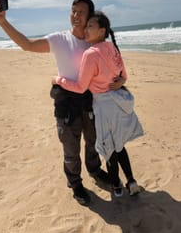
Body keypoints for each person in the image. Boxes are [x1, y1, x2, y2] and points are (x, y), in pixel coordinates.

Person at [0, 0, 123, 206]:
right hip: (67, 103)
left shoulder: (95, 41)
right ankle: (75, 183)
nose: (76, 16)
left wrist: (121, 79)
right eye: (73, 11)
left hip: (91, 101)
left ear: (90, 17)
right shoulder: (60, 39)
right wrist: (2, 21)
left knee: (92, 142)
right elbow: (28, 45)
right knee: (70, 147)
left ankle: (95, 170)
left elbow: (113, 64)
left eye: (81, 12)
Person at [53, 11, 143, 197]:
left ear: (102, 31)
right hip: (118, 102)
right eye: (86, 26)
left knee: (108, 146)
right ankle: (131, 181)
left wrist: (59, 80)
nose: (86, 29)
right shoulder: (112, 47)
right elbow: (124, 76)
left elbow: (79, 87)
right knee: (119, 144)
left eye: (90, 26)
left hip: (103, 106)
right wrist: (120, 83)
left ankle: (117, 186)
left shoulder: (91, 54)